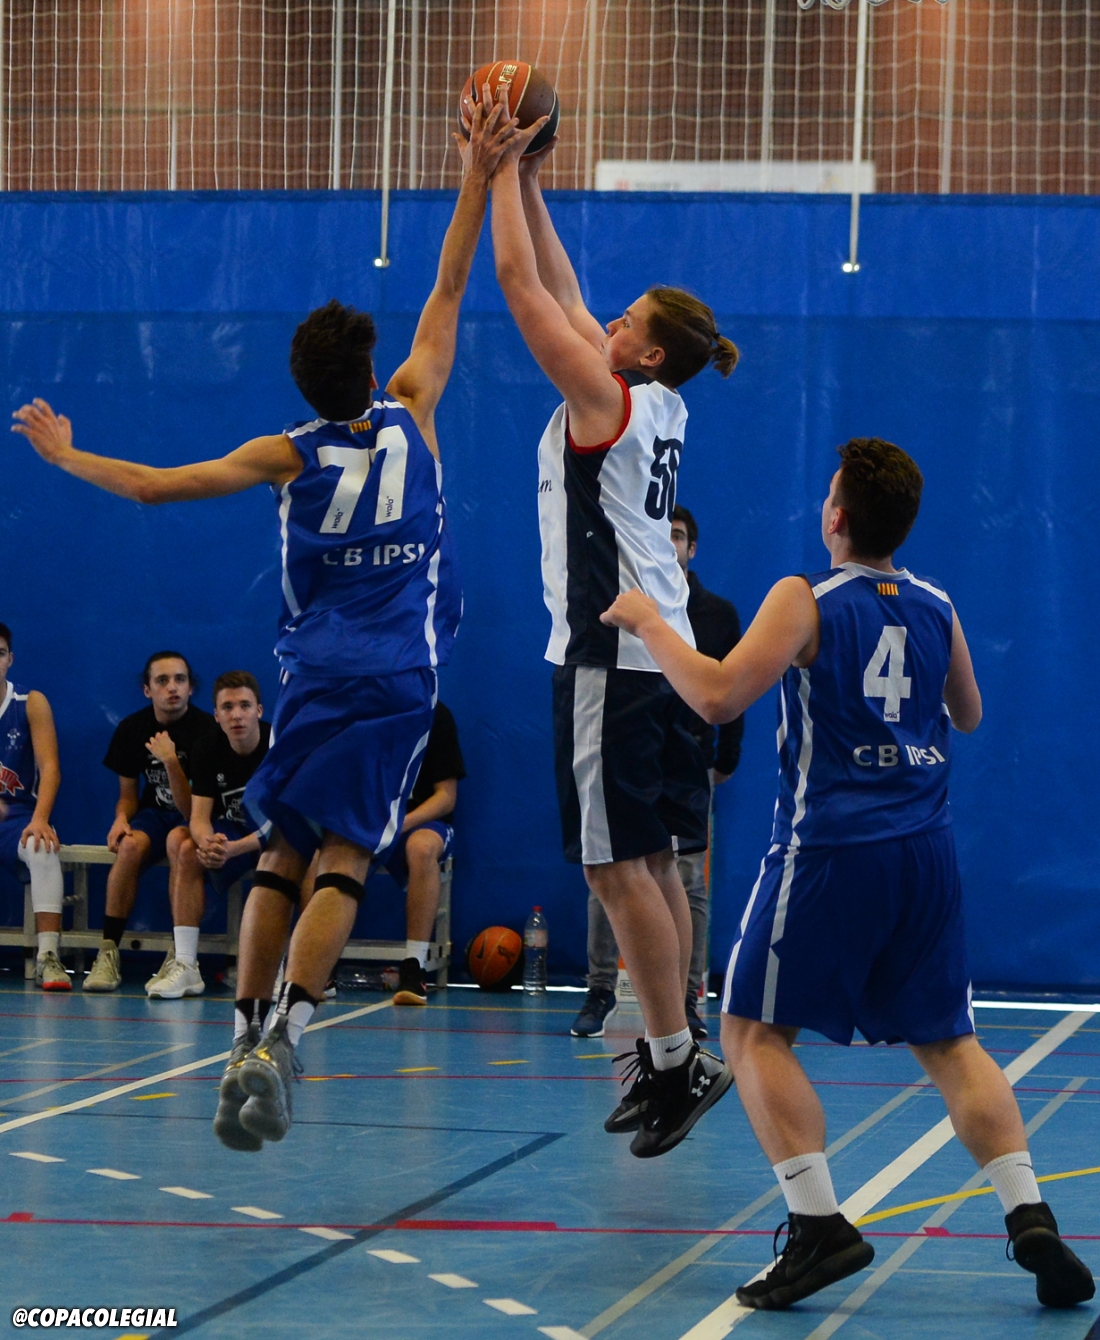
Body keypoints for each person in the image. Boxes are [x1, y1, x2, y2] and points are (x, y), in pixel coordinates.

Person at [13, 90, 518, 1150]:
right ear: (371, 373)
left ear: (301, 385)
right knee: (344, 858)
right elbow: (449, 282)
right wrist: (478, 171)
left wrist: (65, 454)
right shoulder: (414, 408)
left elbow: (154, 486)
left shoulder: (283, 455)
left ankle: (241, 1036)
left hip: (315, 677)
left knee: (283, 851)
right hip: (399, 681)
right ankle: (286, 1033)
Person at [602, 437, 1095, 1311]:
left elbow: (716, 696)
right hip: (926, 852)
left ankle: (817, 1225)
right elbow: (969, 713)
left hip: (831, 849)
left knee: (753, 1033)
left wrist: (647, 622)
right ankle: (1030, 1214)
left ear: (835, 516)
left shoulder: (807, 597)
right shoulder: (937, 603)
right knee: (951, 1043)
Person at [489, 116, 738, 1159]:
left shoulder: (605, 398)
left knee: (611, 869)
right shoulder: (659, 401)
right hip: (662, 658)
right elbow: (560, 280)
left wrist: (494, 173)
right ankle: (680, 1047)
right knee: (654, 862)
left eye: (622, 319)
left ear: (644, 351)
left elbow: (521, 286)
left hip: (612, 658)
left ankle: (675, 1057)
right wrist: (532, 182)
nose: (605, 320)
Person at [571, 504, 743, 1041]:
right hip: (635, 732)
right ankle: (602, 988)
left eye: (679, 535)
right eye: (662, 532)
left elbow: (728, 691)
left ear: (692, 549)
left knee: (675, 874)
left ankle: (682, 1007)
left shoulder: (713, 612)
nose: (670, 542)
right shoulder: (625, 597)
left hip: (684, 746)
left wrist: (724, 758)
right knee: (616, 866)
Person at [89, 652, 215, 992]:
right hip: (153, 815)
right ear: (147, 690)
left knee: (180, 843)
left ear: (191, 688)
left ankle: (180, 955)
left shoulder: (207, 732)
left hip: (195, 816)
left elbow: (191, 810)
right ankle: (107, 953)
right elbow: (128, 795)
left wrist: (171, 760)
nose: (172, 687)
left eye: (180, 680)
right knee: (129, 846)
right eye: (162, 681)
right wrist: (120, 819)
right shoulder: (133, 729)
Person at [148, 670, 272, 999]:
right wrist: (208, 845)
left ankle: (279, 966)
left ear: (259, 711)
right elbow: (199, 817)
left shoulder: (278, 746)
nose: (236, 715)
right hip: (231, 833)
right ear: (216, 715)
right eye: (227, 707)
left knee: (291, 856)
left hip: (273, 837)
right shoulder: (207, 747)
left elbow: (285, 824)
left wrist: (234, 849)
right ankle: (186, 965)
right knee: (187, 848)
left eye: (244, 706)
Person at [383, 700, 465, 1007]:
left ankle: (413, 966)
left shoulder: (436, 715)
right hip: (373, 821)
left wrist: (399, 825)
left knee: (420, 848)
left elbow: (446, 797)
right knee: (323, 849)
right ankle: (319, 968)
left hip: (422, 822)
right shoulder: (364, 714)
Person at [0, 623, 68, 990]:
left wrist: (41, 818)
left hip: (20, 815)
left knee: (42, 848)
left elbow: (50, 768)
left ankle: (48, 956)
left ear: (10, 659)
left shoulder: (30, 702)